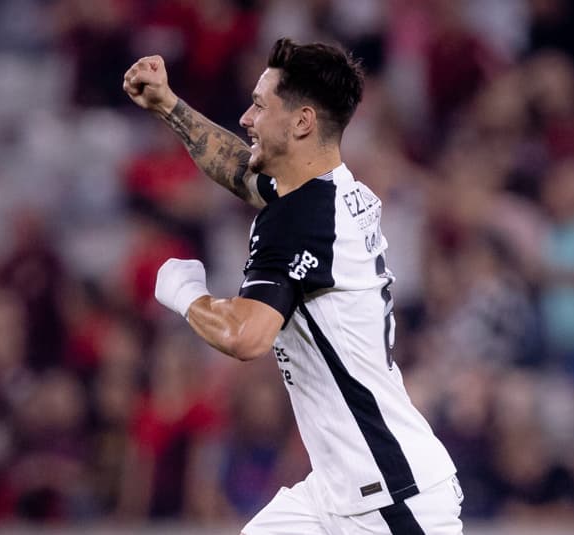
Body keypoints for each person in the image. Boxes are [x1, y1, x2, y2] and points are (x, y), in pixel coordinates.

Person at [122, 38, 463, 534]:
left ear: (302, 122)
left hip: (391, 501)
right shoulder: (331, 193)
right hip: (340, 489)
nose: (246, 118)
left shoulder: (300, 218)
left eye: (260, 106)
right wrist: (169, 106)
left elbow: (247, 336)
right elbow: (240, 171)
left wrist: (183, 291)